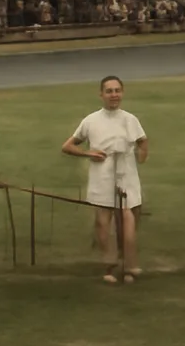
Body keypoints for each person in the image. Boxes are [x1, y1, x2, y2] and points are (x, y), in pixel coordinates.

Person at [61, 75, 148, 284]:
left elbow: (143, 143)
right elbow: (68, 146)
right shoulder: (91, 120)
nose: (114, 95)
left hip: (126, 176)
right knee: (103, 223)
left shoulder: (130, 119)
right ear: (101, 94)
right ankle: (109, 266)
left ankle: (128, 267)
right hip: (102, 176)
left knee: (128, 222)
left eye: (117, 90)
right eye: (109, 91)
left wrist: (140, 155)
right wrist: (89, 153)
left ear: (122, 93)